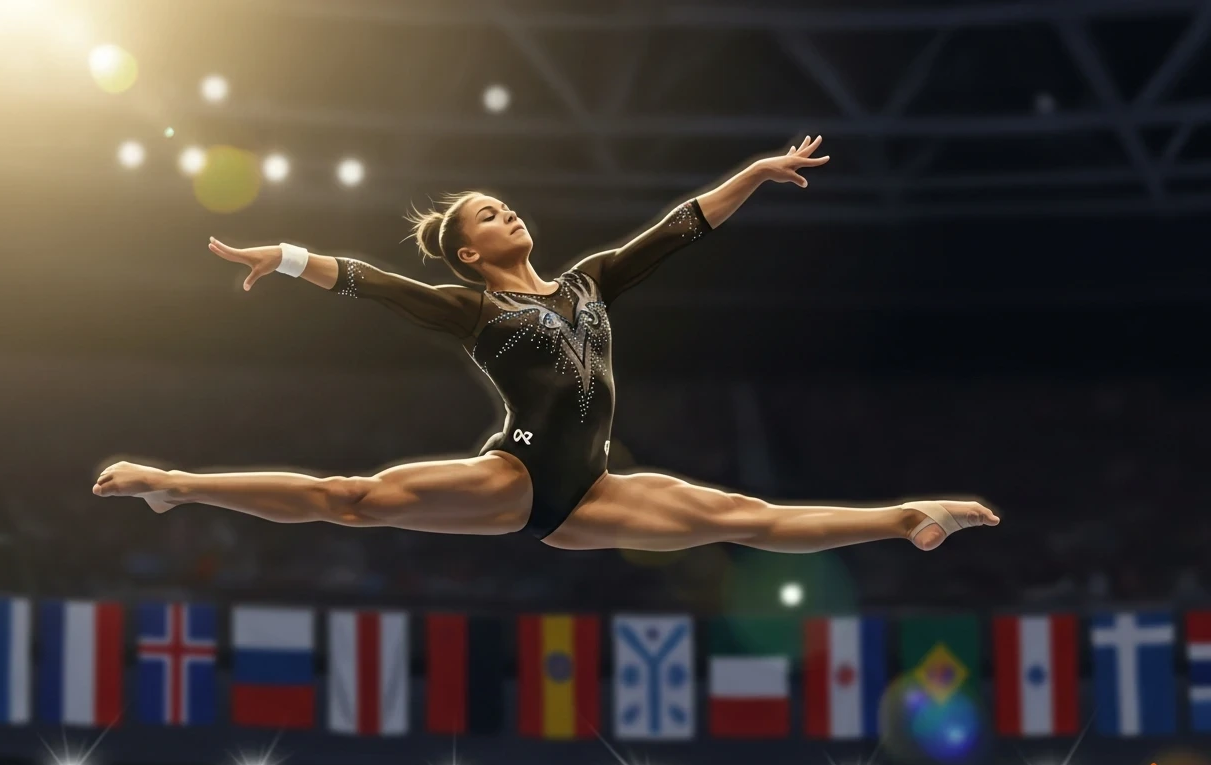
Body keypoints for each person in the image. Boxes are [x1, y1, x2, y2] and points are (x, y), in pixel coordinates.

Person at [94, 136, 998, 553]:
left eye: (506, 203)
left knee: (743, 518)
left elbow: (682, 230)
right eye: (489, 214)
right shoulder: (468, 310)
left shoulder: (591, 279)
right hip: (519, 479)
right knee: (350, 499)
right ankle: (173, 486)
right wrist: (285, 257)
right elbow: (370, 282)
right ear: (468, 252)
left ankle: (909, 516)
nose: (508, 212)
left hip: (592, 491)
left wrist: (756, 174)